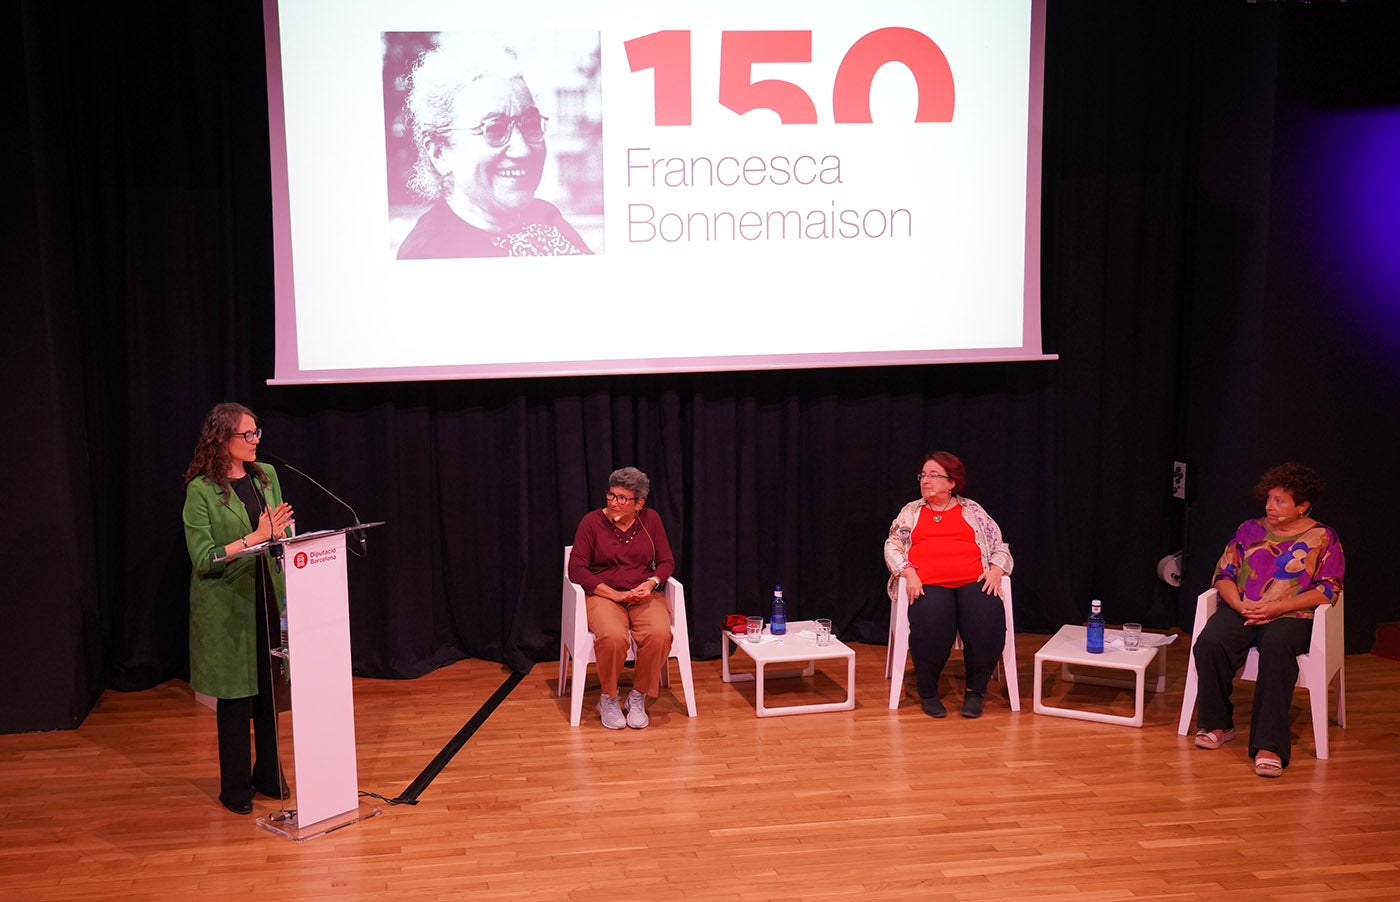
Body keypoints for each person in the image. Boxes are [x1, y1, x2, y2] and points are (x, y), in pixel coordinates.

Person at [1192, 462, 1344, 777]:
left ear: (1302, 505)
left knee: (1276, 648)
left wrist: (1277, 608)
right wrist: (1239, 604)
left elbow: (1328, 589)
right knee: (1210, 642)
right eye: (1269, 499)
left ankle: (1269, 745)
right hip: (1244, 607)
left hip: (1292, 614)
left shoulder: (1323, 537)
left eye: (1279, 501)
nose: (1269, 506)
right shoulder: (1249, 529)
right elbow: (1223, 574)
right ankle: (1218, 724)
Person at [181, 403, 295, 814]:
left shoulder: (266, 476)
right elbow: (204, 558)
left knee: (268, 692)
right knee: (236, 698)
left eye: (256, 432)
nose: (255, 440)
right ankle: (235, 789)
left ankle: (268, 774)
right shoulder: (201, 490)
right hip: (227, 606)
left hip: (267, 597)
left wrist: (283, 533)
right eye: (246, 434)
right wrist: (255, 537)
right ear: (221, 439)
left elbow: (280, 531)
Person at [397, 38, 591, 259]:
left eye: (530, 124)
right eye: (495, 129)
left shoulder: (545, 216)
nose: (523, 150)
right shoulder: (429, 253)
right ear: (440, 153)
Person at [884, 451, 1013, 719]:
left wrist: (996, 569)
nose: (925, 480)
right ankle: (928, 691)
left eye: (933, 475)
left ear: (951, 482)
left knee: (986, 622)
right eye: (923, 475)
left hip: (974, 580)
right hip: (927, 583)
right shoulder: (911, 511)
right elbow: (892, 546)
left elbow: (1000, 545)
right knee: (932, 624)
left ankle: (975, 691)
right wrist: (908, 572)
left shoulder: (973, 510)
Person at [567, 467, 675, 730]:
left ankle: (638, 696)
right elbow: (576, 569)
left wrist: (651, 583)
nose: (614, 502)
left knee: (659, 634)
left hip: (641, 593)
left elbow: (666, 561)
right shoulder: (591, 522)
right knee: (614, 637)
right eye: (611, 495)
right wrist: (613, 593)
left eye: (622, 498)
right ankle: (609, 698)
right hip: (604, 594)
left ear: (639, 503)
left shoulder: (651, 520)